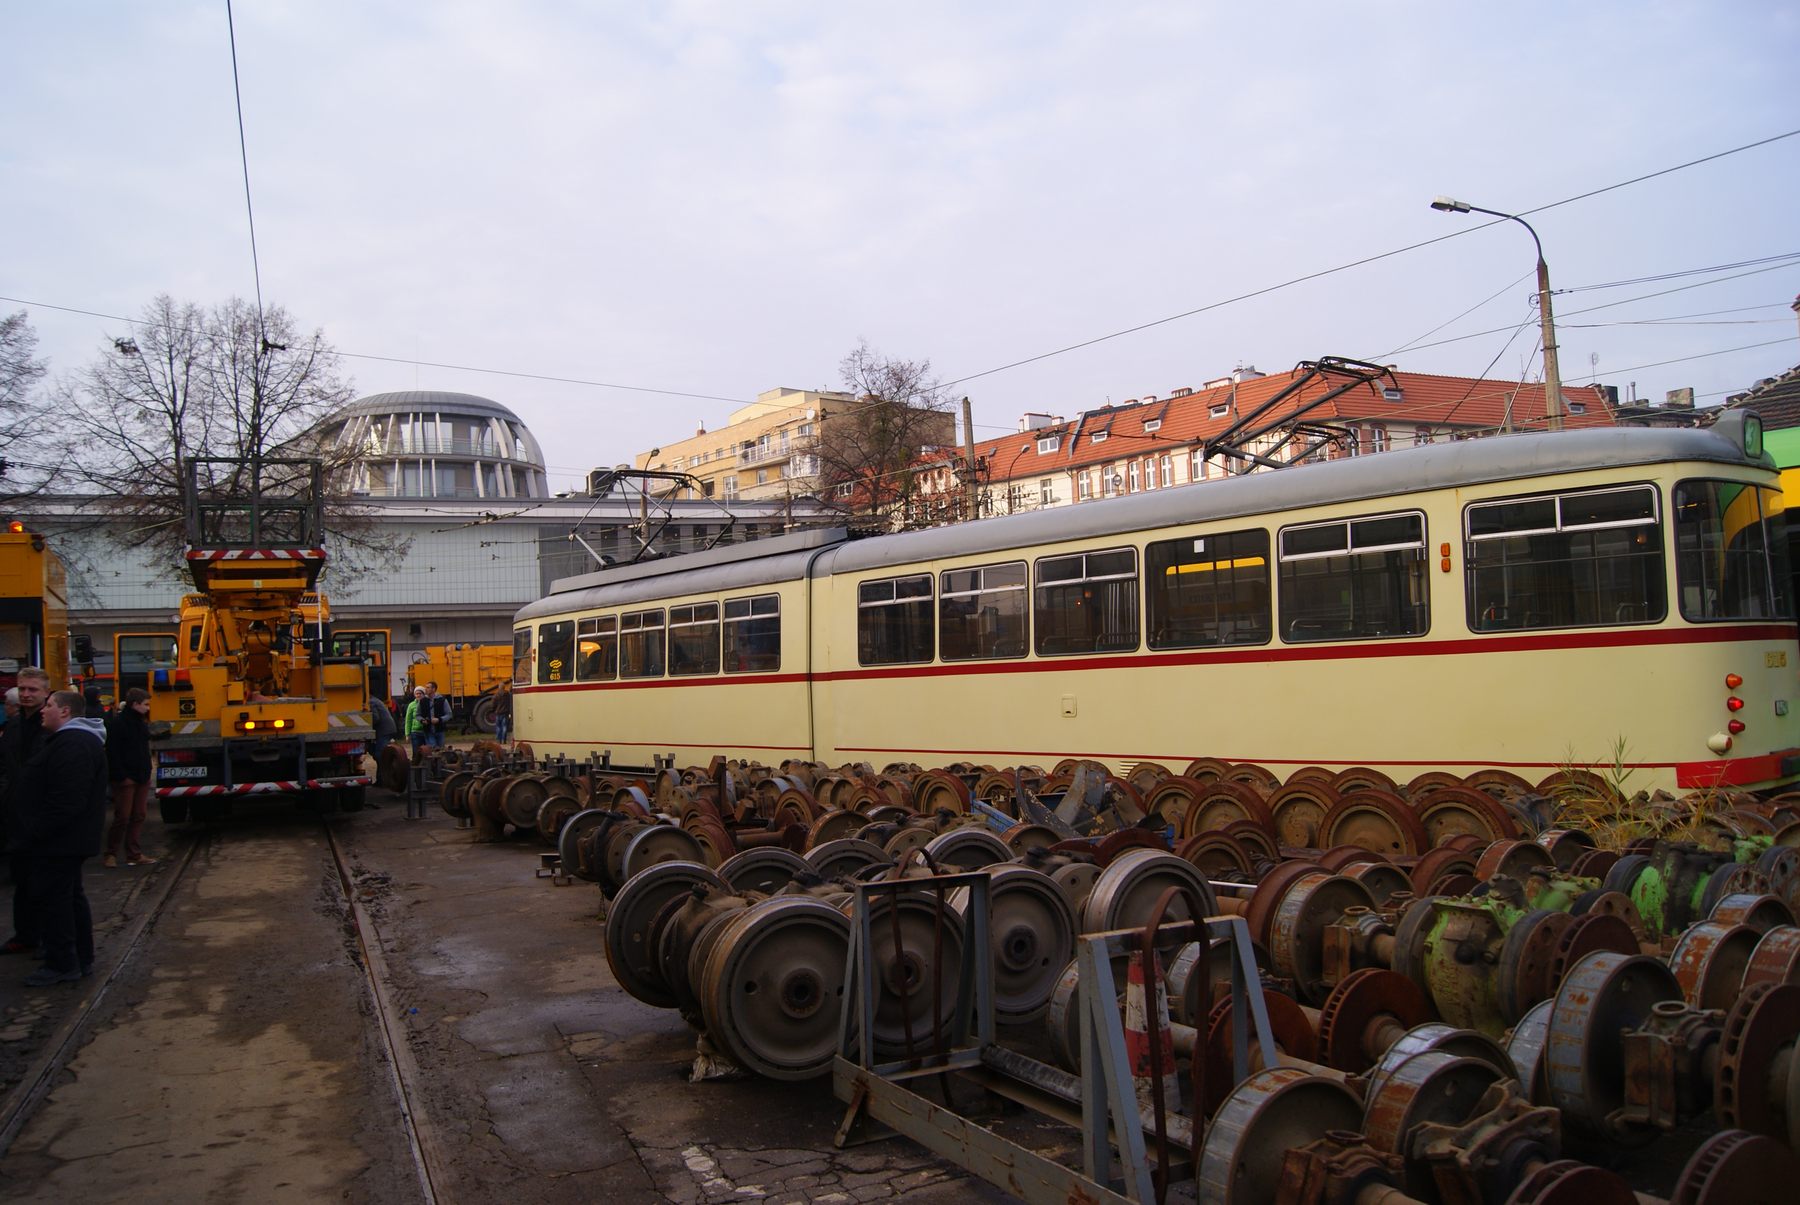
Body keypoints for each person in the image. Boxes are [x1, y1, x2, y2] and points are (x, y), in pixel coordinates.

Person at [13, 689, 108, 985]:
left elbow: (67, 800)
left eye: (50, 705)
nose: (43, 709)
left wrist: (34, 831)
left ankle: (63, 963)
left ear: (65, 711)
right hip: (63, 840)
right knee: (68, 898)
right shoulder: (70, 742)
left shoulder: (74, 745)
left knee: (56, 901)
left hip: (59, 841)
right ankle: (79, 958)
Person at [0, 667, 49, 956]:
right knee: (21, 880)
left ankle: (48, 938)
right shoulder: (14, 725)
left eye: (33, 689)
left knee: (46, 882)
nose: (27, 694)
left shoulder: (51, 725)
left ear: (46, 692)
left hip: (41, 817)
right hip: (15, 815)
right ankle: (25, 934)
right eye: (23, 689)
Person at [103, 688, 156, 868]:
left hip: (140, 775)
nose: (148, 708)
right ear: (135, 704)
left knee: (138, 815)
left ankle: (133, 853)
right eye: (146, 704)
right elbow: (113, 751)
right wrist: (121, 775)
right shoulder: (119, 724)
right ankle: (112, 853)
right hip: (127, 777)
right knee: (123, 817)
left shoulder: (138, 723)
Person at [422, 682, 451, 749]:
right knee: (433, 749)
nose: (425, 689)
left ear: (434, 689)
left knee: (441, 749)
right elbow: (417, 715)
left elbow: (449, 714)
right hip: (428, 730)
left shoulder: (442, 700)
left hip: (440, 729)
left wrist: (439, 719)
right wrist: (422, 720)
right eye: (425, 687)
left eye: (428, 687)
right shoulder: (422, 701)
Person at [370, 694, 396, 761]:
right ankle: (382, 769)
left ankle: (384, 770)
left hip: (384, 730)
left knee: (380, 754)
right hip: (387, 729)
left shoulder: (371, 702)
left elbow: (375, 718)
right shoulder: (376, 700)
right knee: (379, 752)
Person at [405, 687, 427, 758]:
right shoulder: (411, 705)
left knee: (427, 752)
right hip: (415, 732)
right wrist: (407, 734)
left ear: (423, 694)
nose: (418, 695)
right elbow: (408, 720)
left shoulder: (427, 703)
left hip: (426, 731)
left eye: (420, 693)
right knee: (416, 752)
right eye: (416, 694)